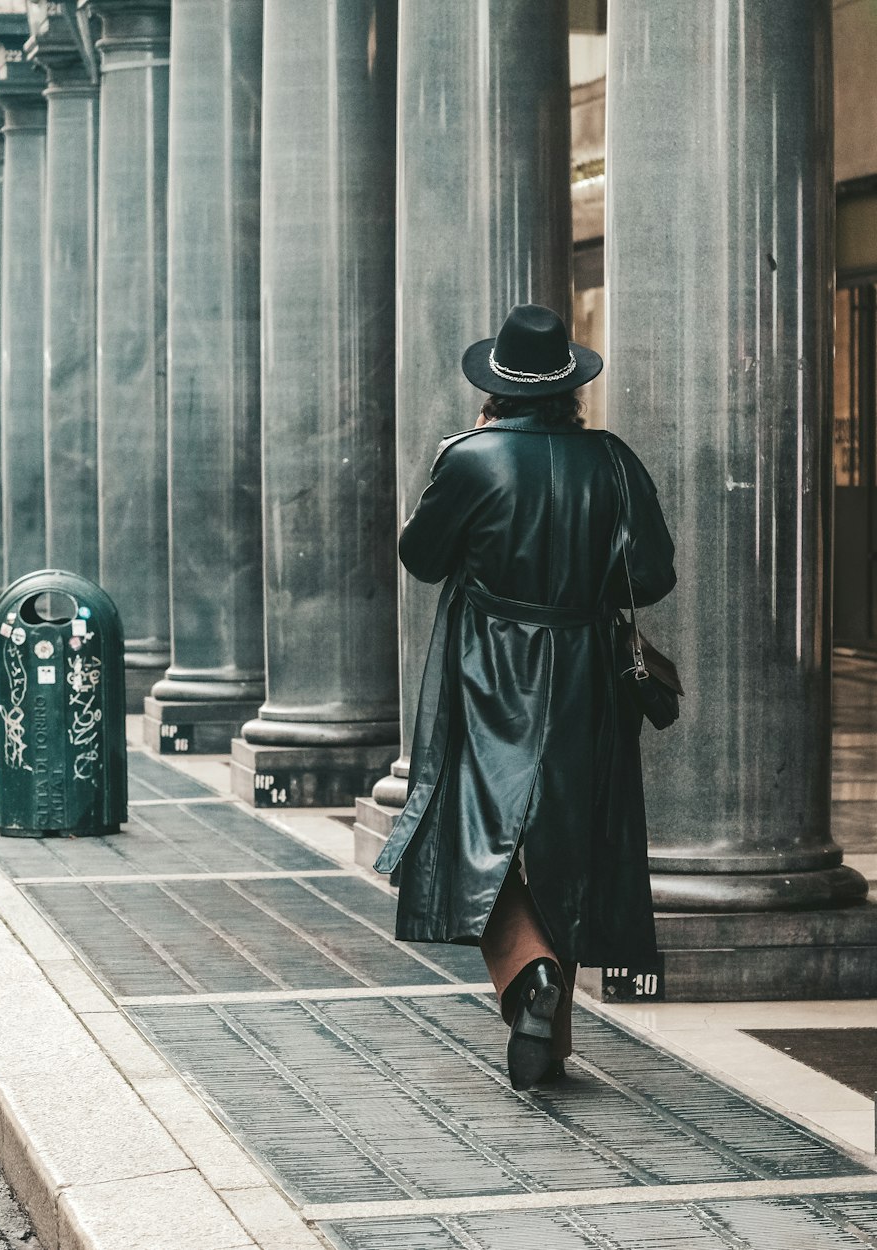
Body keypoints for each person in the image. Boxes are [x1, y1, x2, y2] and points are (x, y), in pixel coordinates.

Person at [374, 303, 676, 1090]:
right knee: (568, 847)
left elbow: (421, 557)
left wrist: (457, 460)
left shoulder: (471, 457)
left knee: (473, 831)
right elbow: (652, 577)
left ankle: (532, 977)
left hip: (489, 674)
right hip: (584, 673)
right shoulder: (611, 460)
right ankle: (549, 1040)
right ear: (569, 390)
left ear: (496, 388)